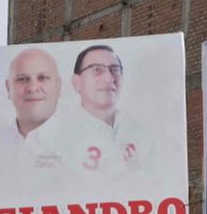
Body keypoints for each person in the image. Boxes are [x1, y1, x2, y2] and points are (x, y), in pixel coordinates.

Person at [49, 44, 154, 177]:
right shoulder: (51, 137)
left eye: (115, 70)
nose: (109, 78)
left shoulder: (140, 133)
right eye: (97, 70)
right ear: (77, 82)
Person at [0, 47, 69, 187]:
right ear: (8, 88)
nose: (32, 87)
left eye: (43, 78)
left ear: (59, 86)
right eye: (22, 79)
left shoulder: (83, 141)